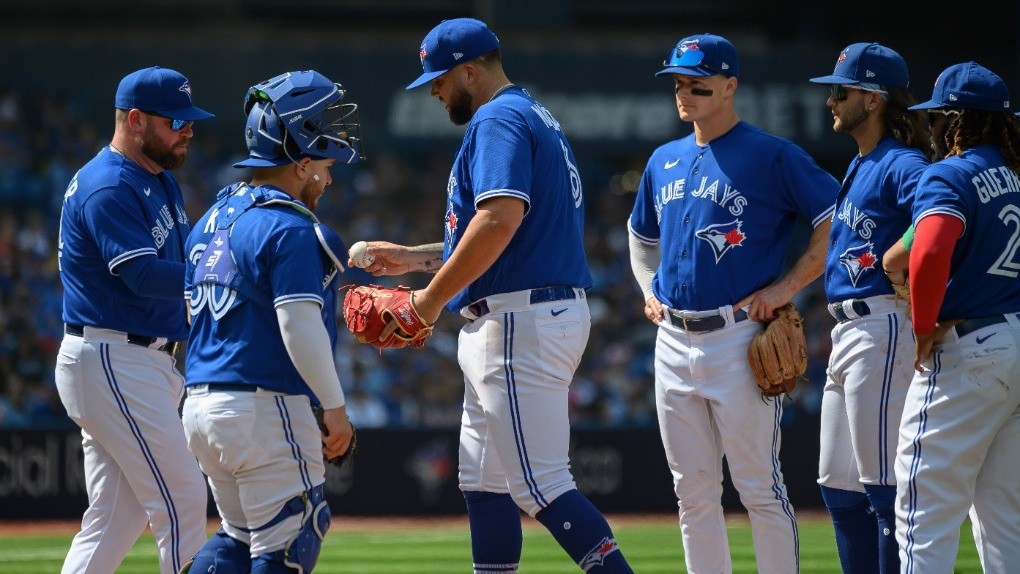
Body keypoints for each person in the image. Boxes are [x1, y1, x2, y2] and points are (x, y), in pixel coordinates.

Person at [353, 17, 633, 573]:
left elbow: (499, 223)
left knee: (541, 484)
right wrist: (414, 259)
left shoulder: (498, 119)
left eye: (439, 78)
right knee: (484, 483)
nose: (433, 89)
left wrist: (428, 300)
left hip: (517, 319)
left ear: (470, 72)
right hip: (524, 310)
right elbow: (503, 232)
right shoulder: (532, 115)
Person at [627, 33, 839, 573]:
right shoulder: (663, 159)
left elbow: (834, 220)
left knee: (759, 488)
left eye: (698, 83)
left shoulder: (771, 154)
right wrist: (647, 288)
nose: (685, 92)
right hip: (672, 340)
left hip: (739, 336)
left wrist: (787, 288)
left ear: (730, 85)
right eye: (678, 82)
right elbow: (640, 237)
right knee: (692, 494)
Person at [179, 70, 358, 573]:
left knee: (238, 537)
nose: (329, 175)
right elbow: (297, 327)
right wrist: (335, 409)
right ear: (301, 164)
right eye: (324, 164)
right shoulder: (290, 227)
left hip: (201, 404)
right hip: (263, 407)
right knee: (295, 535)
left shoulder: (210, 219)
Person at [54, 66, 214, 574]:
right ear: (137, 120)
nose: (187, 129)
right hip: (114, 356)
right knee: (184, 496)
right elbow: (142, 276)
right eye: (176, 121)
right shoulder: (108, 185)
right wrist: (222, 272)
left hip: (134, 359)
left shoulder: (157, 178)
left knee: (113, 519)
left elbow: (179, 268)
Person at [806, 43, 932, 573]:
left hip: (883, 326)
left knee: (884, 490)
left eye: (841, 90)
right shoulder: (863, 163)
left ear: (874, 99)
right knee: (838, 486)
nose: (830, 100)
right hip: (851, 331)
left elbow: (939, 213)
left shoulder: (903, 162)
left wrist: (899, 257)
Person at [894, 61, 1020, 574]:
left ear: (954, 120)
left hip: (973, 350)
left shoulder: (951, 172)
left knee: (924, 510)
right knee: (1005, 519)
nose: (932, 129)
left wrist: (924, 326)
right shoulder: (1015, 174)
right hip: (1014, 340)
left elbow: (928, 252)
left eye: (937, 118)